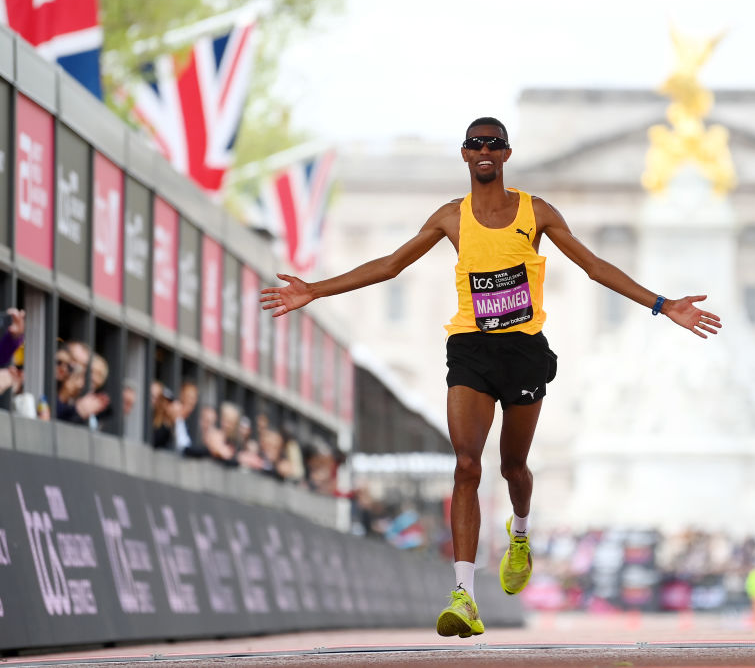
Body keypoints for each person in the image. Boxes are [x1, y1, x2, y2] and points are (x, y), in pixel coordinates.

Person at [260, 117, 722, 638]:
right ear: (464, 155)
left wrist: (663, 305)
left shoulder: (537, 212)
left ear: (505, 155)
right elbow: (391, 265)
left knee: (514, 467)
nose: (484, 151)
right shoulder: (450, 218)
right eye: (476, 144)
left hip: (523, 352)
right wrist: (315, 290)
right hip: (471, 348)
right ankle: (464, 593)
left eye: (494, 144)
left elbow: (593, 267)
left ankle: (520, 533)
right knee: (465, 465)